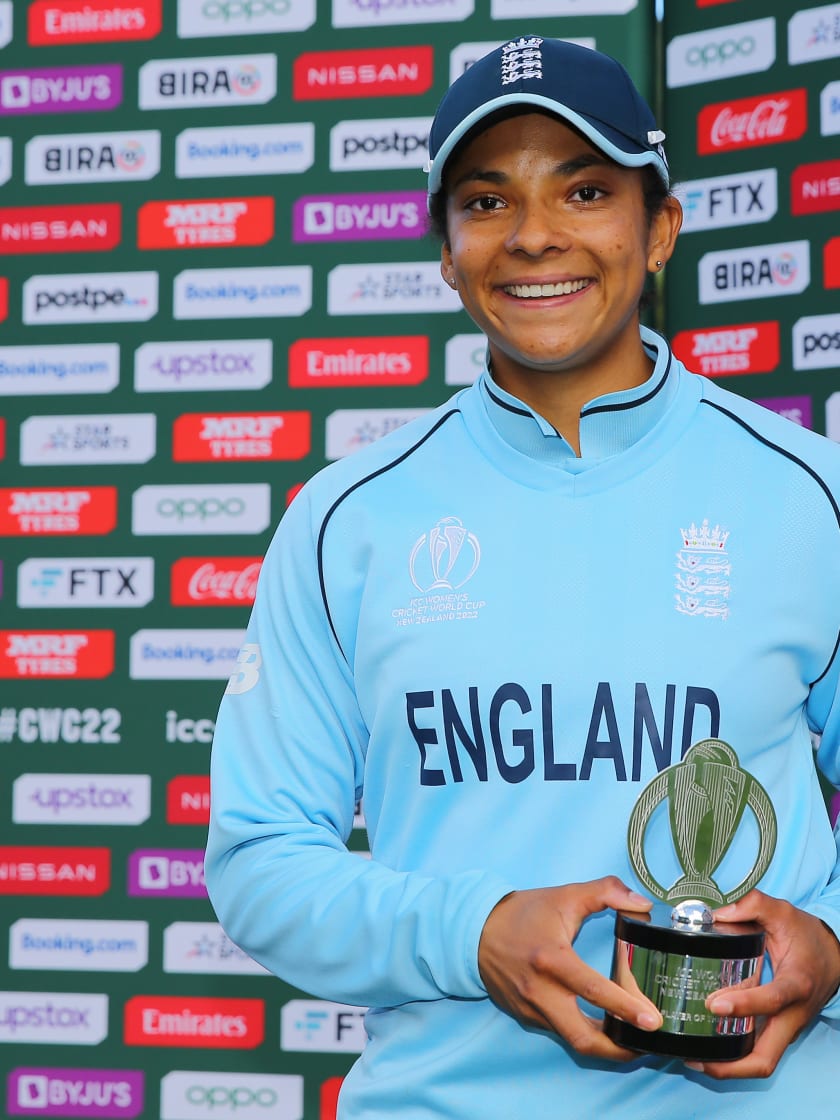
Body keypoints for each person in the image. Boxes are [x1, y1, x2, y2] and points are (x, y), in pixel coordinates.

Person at [205, 34, 840, 1118]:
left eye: (586, 189)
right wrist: (476, 930)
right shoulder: (344, 520)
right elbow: (261, 861)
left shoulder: (810, 493)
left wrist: (831, 949)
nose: (536, 236)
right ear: (447, 251)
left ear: (660, 231)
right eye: (487, 202)